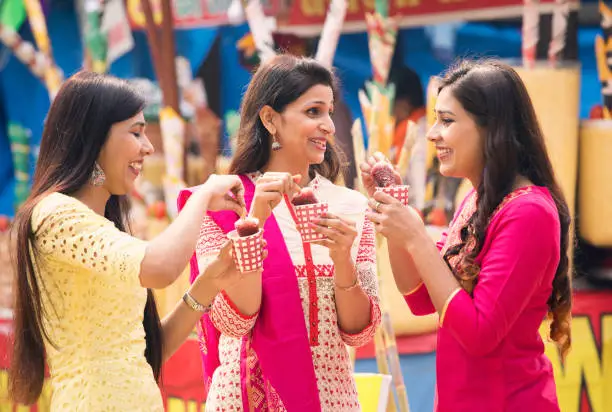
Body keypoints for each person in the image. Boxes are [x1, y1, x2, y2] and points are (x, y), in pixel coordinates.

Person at [9, 72, 254, 410]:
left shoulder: (103, 226)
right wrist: (202, 195)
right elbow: (161, 267)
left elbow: (150, 352)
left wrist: (209, 282)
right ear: (94, 138)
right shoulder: (53, 214)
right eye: (136, 132)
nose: (148, 147)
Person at [361, 59, 572, 411]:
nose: (431, 133)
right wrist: (397, 215)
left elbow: (479, 333)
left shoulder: (529, 212)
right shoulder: (477, 199)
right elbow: (421, 299)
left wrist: (414, 235)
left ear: (491, 129)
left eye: (446, 120)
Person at [179, 54, 381, 411]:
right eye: (314, 111)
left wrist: (342, 261)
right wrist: (255, 221)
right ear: (270, 119)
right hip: (245, 398)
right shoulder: (225, 203)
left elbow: (359, 332)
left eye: (330, 112)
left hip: (331, 399)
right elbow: (233, 321)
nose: (329, 126)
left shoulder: (351, 206)